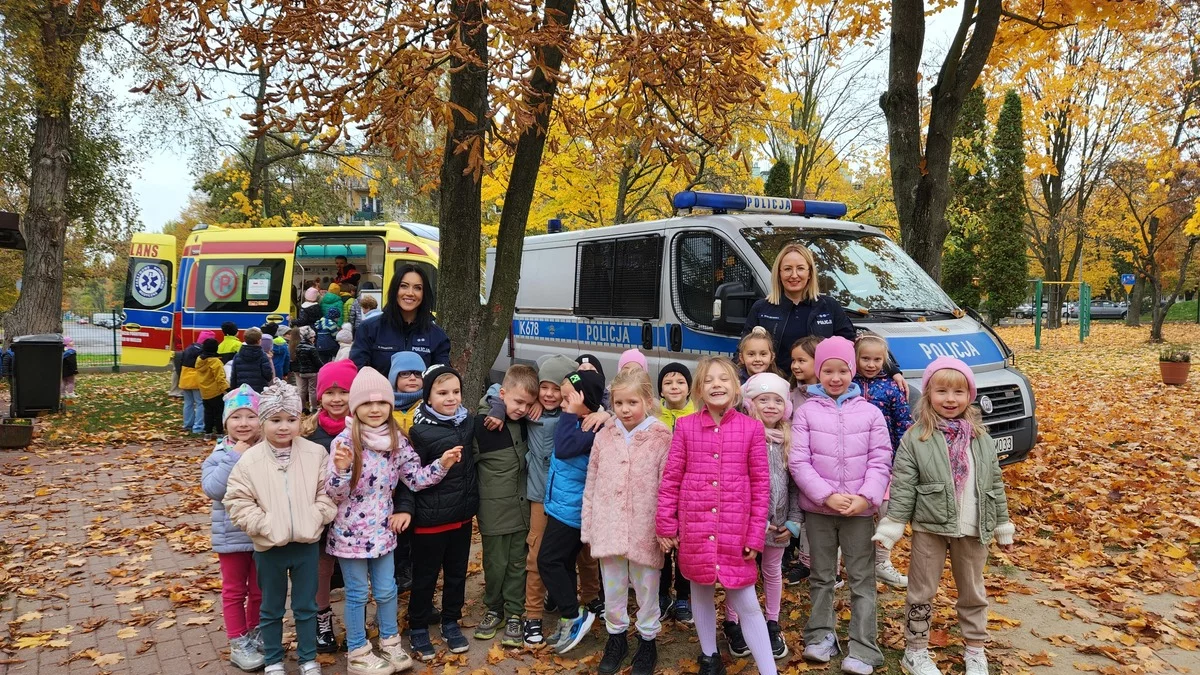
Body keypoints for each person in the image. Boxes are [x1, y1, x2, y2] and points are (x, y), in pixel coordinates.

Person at [873, 358, 1014, 675]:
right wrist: (893, 524)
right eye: (942, 391)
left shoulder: (981, 439)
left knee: (973, 592)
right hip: (930, 527)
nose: (950, 399)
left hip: (973, 528)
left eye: (958, 392)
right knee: (921, 591)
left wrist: (1002, 525)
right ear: (928, 394)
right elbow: (904, 485)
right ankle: (916, 650)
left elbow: (993, 484)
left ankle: (975, 650)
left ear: (969, 395)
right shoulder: (916, 438)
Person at [327, 367, 461, 675]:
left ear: (390, 405)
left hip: (383, 533)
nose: (375, 410)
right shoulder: (345, 442)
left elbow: (414, 478)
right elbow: (334, 494)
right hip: (349, 536)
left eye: (382, 403)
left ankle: (390, 643)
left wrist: (442, 464)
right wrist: (342, 470)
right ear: (355, 408)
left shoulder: (396, 440)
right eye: (367, 404)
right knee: (358, 594)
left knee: (387, 590)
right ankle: (358, 652)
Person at [655, 356, 776, 675]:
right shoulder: (685, 426)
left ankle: (768, 669)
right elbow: (671, 477)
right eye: (709, 380)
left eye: (723, 379)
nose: (716, 385)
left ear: (736, 388)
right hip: (695, 527)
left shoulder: (751, 429)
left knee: (747, 602)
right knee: (700, 590)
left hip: (736, 532)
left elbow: (762, 486)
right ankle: (710, 657)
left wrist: (755, 535)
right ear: (698, 389)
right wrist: (666, 521)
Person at [790, 336, 891, 674]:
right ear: (818, 372)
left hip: (859, 513)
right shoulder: (805, 413)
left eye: (842, 370)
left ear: (852, 371)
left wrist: (865, 497)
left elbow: (881, 461)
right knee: (821, 576)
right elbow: (799, 462)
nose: (835, 378)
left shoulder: (871, 413)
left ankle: (864, 647)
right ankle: (820, 635)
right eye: (827, 371)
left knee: (861, 578)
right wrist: (826, 495)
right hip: (820, 511)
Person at [223, 381, 338, 675]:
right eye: (275, 420)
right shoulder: (249, 460)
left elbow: (327, 492)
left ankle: (307, 657)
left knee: (305, 605)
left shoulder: (315, 454)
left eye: (291, 419)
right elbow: (237, 499)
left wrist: (315, 516)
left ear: (300, 420)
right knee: (271, 607)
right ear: (264, 422)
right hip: (269, 547)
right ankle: (274, 659)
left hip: (306, 544)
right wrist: (263, 525)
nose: (283, 427)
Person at [582, 367, 671, 675]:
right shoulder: (605, 436)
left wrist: (666, 528)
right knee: (614, 586)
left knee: (647, 588)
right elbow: (592, 482)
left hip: (645, 529)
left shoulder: (661, 437)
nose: (625, 410)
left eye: (632, 403)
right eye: (619, 404)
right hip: (608, 525)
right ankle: (616, 636)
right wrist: (590, 525)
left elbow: (667, 487)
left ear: (647, 400)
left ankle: (647, 640)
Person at [395, 365, 477, 661]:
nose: (451, 398)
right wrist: (405, 509)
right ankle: (417, 626)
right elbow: (408, 478)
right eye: (442, 393)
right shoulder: (418, 431)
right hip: (430, 521)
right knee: (425, 577)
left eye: (456, 392)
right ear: (427, 397)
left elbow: (496, 405)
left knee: (457, 575)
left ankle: (450, 621)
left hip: (462, 517)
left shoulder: (467, 422)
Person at [725, 373, 799, 661]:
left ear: (786, 406)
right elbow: (737, 482)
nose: (770, 405)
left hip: (779, 526)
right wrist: (751, 520)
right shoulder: (744, 435)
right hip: (747, 524)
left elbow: (794, 486)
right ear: (749, 403)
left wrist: (793, 522)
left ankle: (771, 622)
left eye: (777, 400)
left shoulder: (789, 440)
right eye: (762, 399)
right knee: (741, 573)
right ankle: (734, 622)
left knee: (772, 571)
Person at [540, 370, 610, 654]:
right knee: (563, 562)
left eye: (569, 395)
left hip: (572, 511)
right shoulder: (582, 421)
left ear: (585, 399)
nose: (562, 399)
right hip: (561, 506)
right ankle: (570, 616)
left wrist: (578, 414)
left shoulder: (591, 428)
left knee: (548, 561)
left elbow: (565, 447)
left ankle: (573, 615)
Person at [472, 365, 538, 647]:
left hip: (521, 510)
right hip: (493, 512)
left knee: (517, 564)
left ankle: (514, 612)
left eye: (528, 404)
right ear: (502, 395)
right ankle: (493, 608)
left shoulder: (527, 423)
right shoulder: (482, 425)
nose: (522, 409)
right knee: (495, 563)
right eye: (517, 402)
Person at [201, 385, 266, 672]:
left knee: (261, 590)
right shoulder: (219, 455)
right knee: (234, 590)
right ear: (226, 422)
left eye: (250, 416)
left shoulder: (268, 451)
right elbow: (213, 489)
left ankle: (256, 632)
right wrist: (235, 455)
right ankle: (238, 641)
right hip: (231, 536)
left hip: (263, 534)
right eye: (236, 417)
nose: (243, 423)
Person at [301, 359, 357, 654]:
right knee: (322, 570)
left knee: (354, 573)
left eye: (344, 392)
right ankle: (322, 621)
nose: (337, 399)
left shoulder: (364, 429)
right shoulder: (307, 432)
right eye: (330, 392)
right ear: (319, 395)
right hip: (321, 516)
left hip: (356, 517)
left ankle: (354, 624)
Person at [520, 355, 576, 645]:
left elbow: (602, 399)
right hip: (540, 496)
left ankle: (584, 602)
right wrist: (531, 400)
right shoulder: (531, 411)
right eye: (544, 387)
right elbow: (497, 392)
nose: (550, 394)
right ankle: (532, 615)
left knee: (571, 556)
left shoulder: (579, 415)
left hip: (568, 498)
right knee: (537, 555)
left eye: (557, 388)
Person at [853, 334, 914, 590]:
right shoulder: (848, 384)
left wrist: (902, 457)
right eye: (865, 358)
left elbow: (903, 424)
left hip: (884, 460)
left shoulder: (891, 388)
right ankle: (846, 562)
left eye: (877, 359)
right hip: (853, 460)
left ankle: (881, 561)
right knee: (855, 512)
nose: (871, 364)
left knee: (885, 511)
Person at [351, 265, 451, 373]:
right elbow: (356, 373)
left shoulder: (437, 335)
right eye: (404, 286)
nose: (410, 293)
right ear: (394, 289)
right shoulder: (369, 329)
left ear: (424, 293)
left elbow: (442, 379)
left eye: (417, 288)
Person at [653, 362, 694, 625]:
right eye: (668, 383)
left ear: (690, 388)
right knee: (662, 547)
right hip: (662, 491)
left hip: (690, 492)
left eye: (680, 381)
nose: (674, 387)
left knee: (686, 548)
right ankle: (661, 595)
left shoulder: (698, 415)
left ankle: (682, 597)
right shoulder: (654, 417)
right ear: (661, 391)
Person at [784, 335, 822, 584]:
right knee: (799, 513)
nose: (796, 366)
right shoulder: (791, 394)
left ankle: (820, 563)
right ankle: (802, 560)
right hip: (794, 463)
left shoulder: (825, 395)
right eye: (793, 361)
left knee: (816, 518)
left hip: (820, 466)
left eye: (802, 360)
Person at [180, 331, 216, 434]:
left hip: (185, 379)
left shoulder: (188, 348)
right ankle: (198, 426)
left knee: (188, 403)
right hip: (197, 380)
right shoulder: (203, 353)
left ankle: (187, 424)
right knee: (200, 403)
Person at [197, 338, 230, 440]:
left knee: (208, 412)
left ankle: (208, 433)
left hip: (204, 391)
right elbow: (220, 378)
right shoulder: (216, 362)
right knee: (218, 413)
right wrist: (227, 389)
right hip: (216, 391)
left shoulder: (199, 360)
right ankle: (220, 433)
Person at [388, 351, 426, 436]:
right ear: (394, 377)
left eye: (418, 373)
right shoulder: (386, 406)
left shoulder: (429, 406)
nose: (412, 378)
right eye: (405, 373)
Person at [230, 327, 276, 393]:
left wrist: (233, 389)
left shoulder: (237, 356)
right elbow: (268, 375)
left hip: (242, 390)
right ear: (259, 341)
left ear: (245, 340)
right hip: (259, 390)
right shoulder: (263, 356)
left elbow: (233, 375)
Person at [293, 327, 324, 414]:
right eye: (313, 337)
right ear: (309, 338)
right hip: (312, 372)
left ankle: (303, 407)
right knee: (312, 390)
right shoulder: (312, 348)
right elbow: (317, 361)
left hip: (302, 372)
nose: (314, 338)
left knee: (302, 390)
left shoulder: (298, 347)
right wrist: (323, 367)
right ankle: (313, 407)